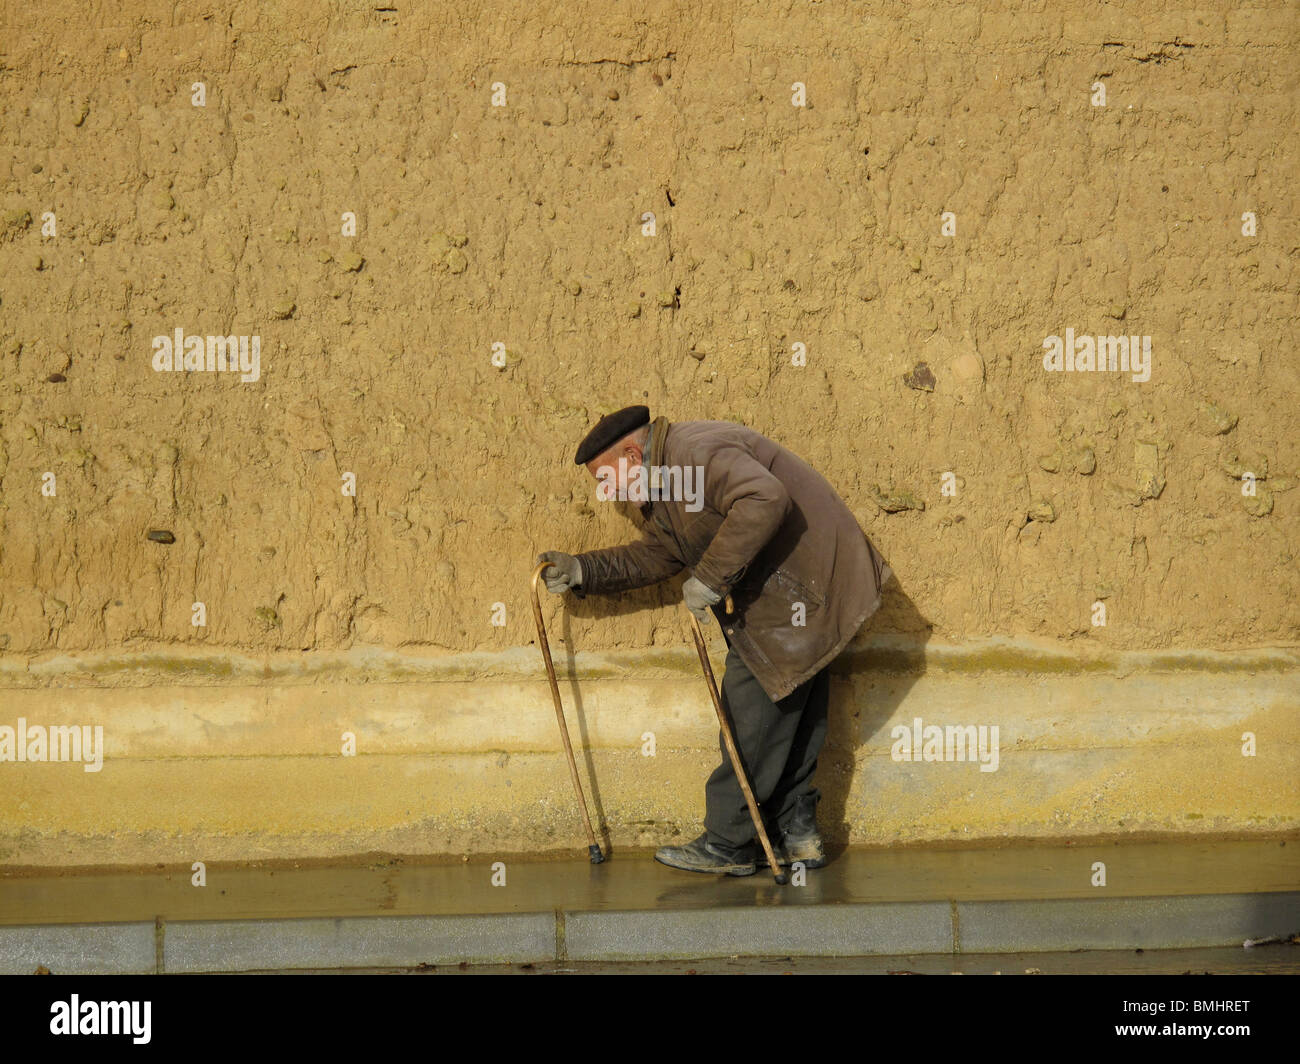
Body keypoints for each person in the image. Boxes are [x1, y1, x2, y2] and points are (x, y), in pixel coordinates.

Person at [539, 405, 893, 875]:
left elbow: (764, 498)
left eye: (606, 478)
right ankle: (798, 835)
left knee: (750, 715)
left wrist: (709, 577)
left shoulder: (692, 453)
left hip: (800, 593)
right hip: (810, 590)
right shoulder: (667, 477)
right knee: (792, 720)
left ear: (631, 451)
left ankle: (728, 843)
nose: (607, 494)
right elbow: (662, 553)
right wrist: (586, 570)